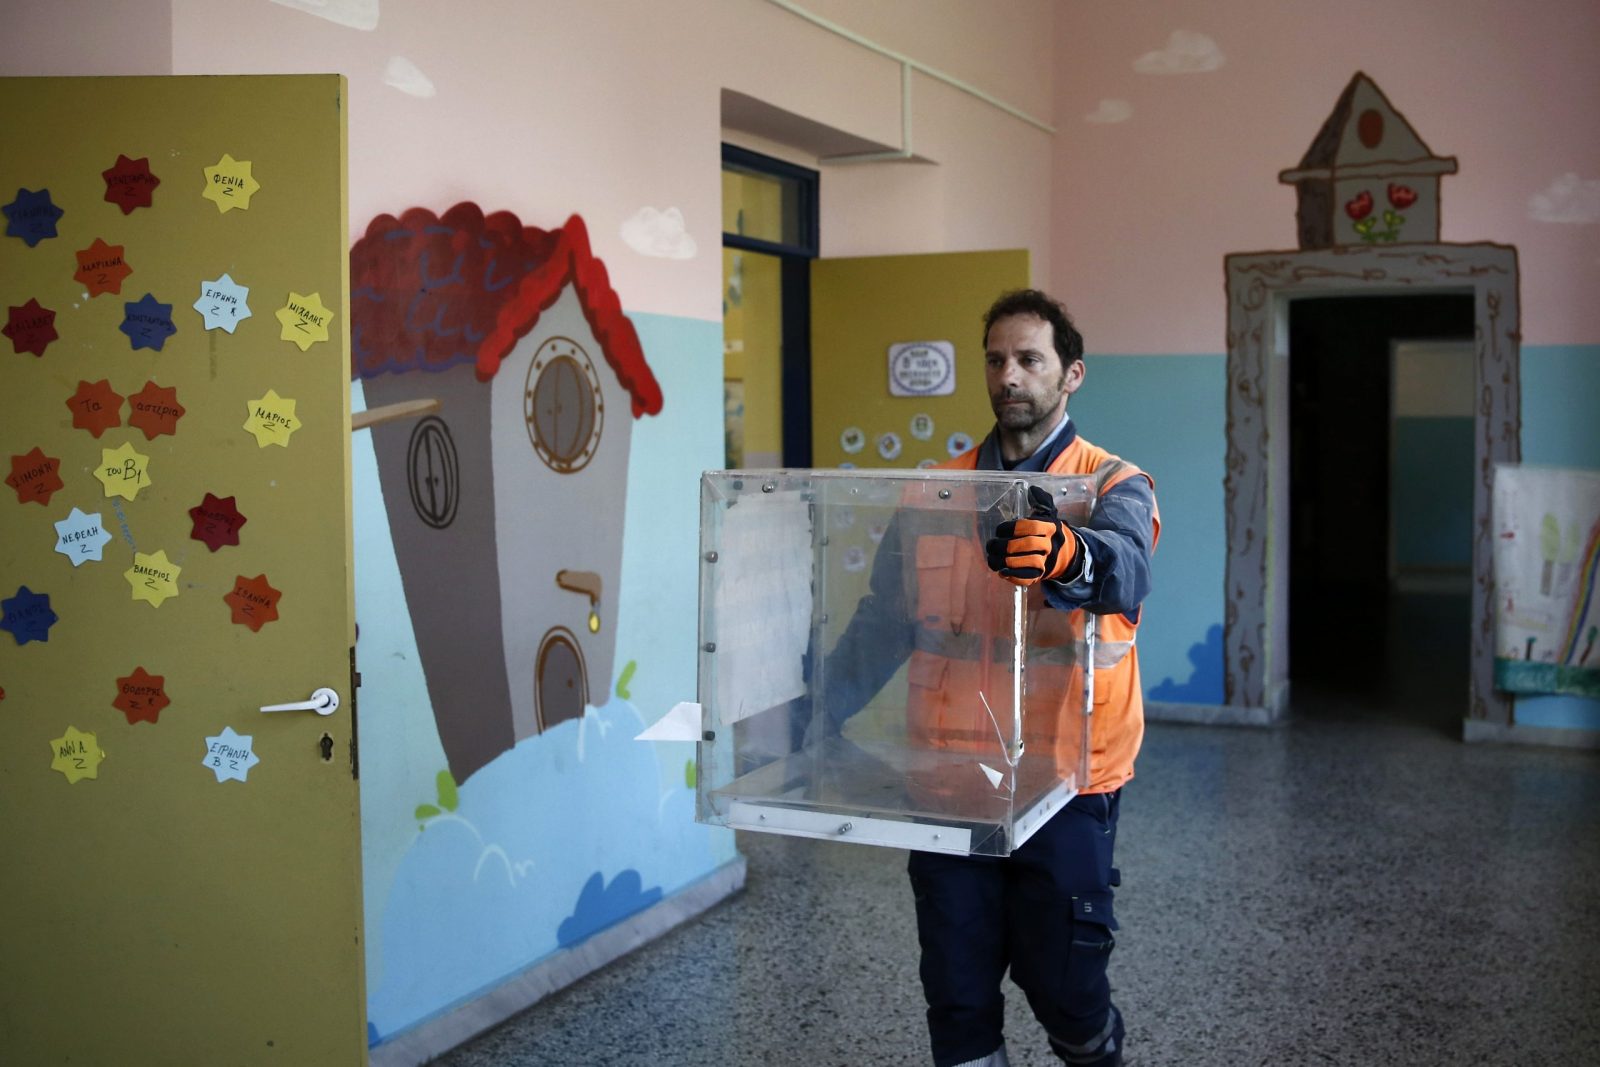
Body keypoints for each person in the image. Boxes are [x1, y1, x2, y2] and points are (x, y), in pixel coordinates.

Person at [818, 289, 1158, 1067]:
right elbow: (882, 623)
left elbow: (1127, 568)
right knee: (958, 994)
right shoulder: (931, 490)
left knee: (1068, 994)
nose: (1010, 375)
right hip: (947, 788)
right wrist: (811, 714)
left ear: (1070, 375)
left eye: (1030, 359)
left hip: (1067, 789)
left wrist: (1074, 555)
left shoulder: (1113, 485)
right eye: (997, 359)